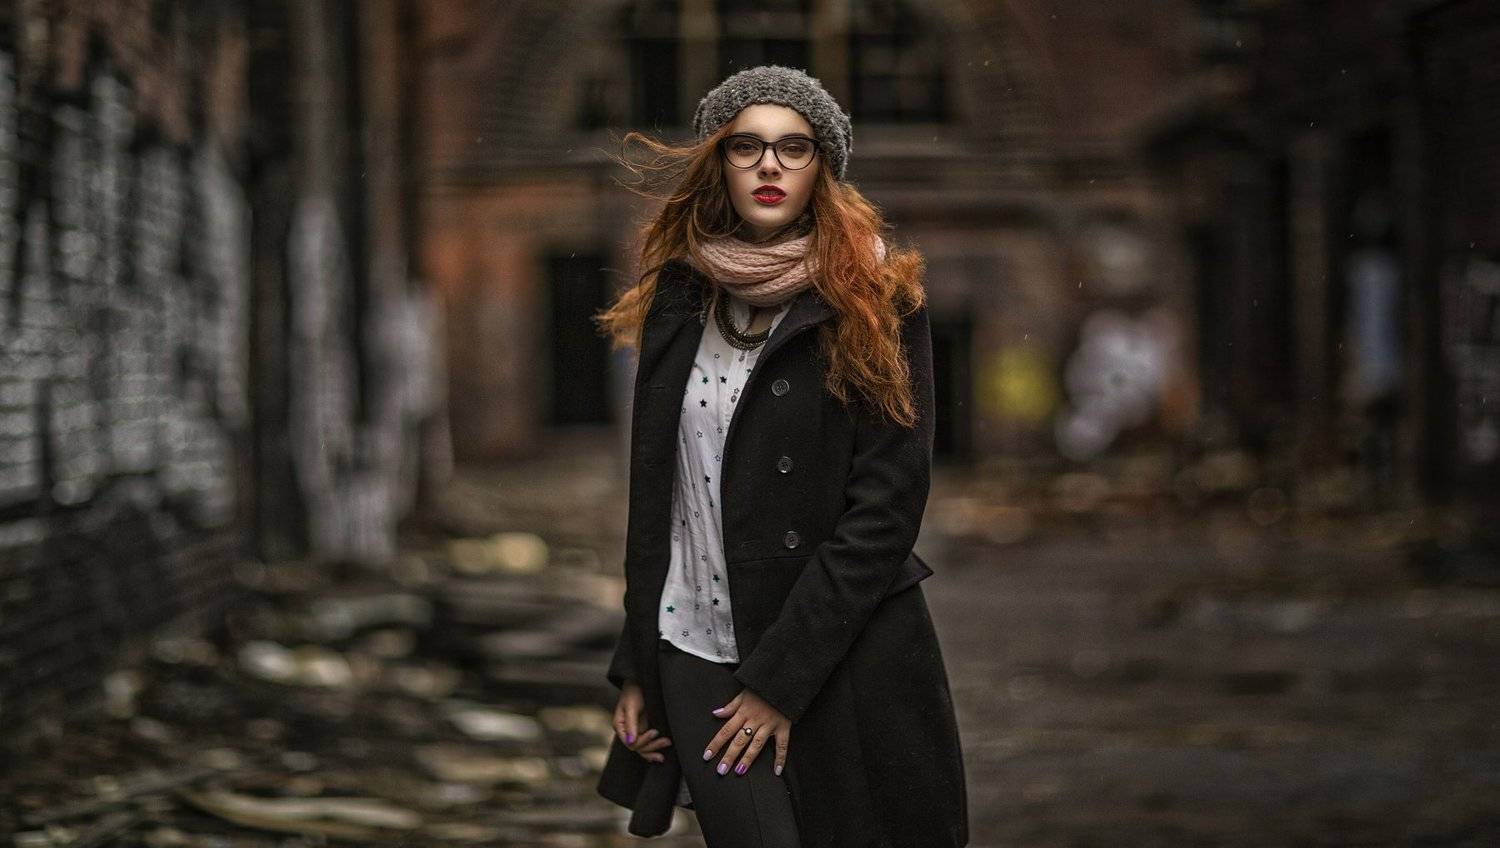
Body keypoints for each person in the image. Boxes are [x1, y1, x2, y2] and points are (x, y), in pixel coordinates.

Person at [592, 65, 968, 848]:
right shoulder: (680, 295)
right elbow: (659, 497)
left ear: (821, 169)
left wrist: (781, 680)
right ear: (719, 164)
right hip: (692, 644)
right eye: (747, 147)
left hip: (834, 647)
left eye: (794, 148)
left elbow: (886, 510)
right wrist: (638, 660)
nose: (770, 166)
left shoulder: (878, 299)